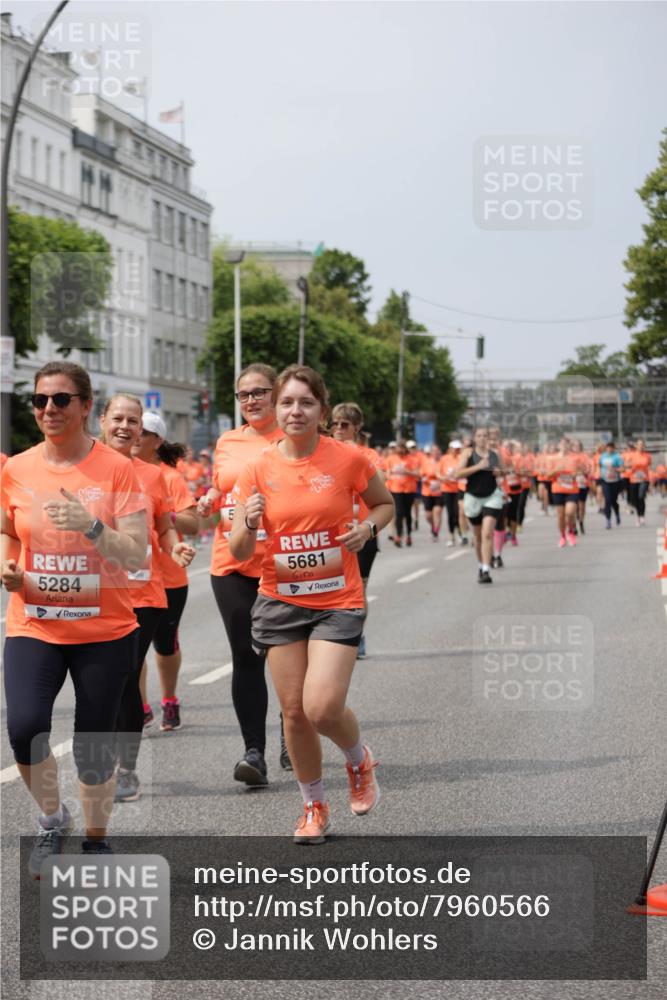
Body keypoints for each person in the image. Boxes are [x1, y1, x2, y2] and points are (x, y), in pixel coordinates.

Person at [229, 365, 394, 844]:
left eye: (305, 402)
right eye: (286, 403)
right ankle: (314, 806)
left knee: (321, 707)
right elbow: (240, 551)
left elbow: (384, 504)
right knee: (294, 713)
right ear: (275, 409)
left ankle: (358, 759)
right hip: (279, 599)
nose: (295, 411)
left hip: (336, 600)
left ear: (321, 409)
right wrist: (250, 523)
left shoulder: (348, 459)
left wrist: (367, 528)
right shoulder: (257, 468)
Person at [1, 362, 148, 873]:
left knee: (92, 744)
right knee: (24, 727)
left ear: (86, 406)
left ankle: (96, 841)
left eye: (61, 400)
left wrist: (91, 526)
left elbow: (134, 555)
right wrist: (8, 565)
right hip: (34, 622)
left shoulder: (116, 469)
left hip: (104, 631)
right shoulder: (16, 468)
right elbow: (10, 532)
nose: (48, 409)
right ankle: (50, 819)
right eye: (40, 400)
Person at [99, 395, 195, 803]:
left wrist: (174, 546)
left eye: (133, 421)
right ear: (101, 420)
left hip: (144, 594)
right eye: (117, 418)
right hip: (95, 593)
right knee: (99, 684)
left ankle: (126, 770)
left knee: (125, 681)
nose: (125, 426)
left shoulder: (153, 476)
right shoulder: (81, 467)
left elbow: (164, 527)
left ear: (142, 429)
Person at [198, 364, 285, 786]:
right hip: (231, 561)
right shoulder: (228, 441)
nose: (251, 400)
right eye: (243, 394)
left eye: (260, 392)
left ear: (276, 393)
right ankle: (254, 753)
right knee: (246, 657)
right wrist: (208, 500)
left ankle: (294, 728)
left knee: (288, 657)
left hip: (284, 562)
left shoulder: (295, 438)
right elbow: (223, 487)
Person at [131, 413, 199, 730]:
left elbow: (193, 524)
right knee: (132, 647)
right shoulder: (117, 471)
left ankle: (169, 699)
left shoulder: (169, 477)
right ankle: (141, 706)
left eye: (142, 432)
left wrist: (162, 517)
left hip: (169, 575)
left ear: (157, 441)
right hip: (132, 576)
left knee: (165, 643)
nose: (134, 435)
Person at [330, 402, 384, 658]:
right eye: (334, 424)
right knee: (331, 588)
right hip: (331, 534)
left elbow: (381, 484)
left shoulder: (368, 455)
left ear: (357, 428)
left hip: (361, 532)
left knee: (358, 589)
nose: (338, 429)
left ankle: (358, 634)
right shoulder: (326, 452)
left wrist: (354, 455)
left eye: (344, 425)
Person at [454, 428, 504, 583]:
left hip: (492, 496)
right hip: (473, 496)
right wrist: (478, 466)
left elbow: (502, 471)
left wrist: (499, 472)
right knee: (477, 536)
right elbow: (458, 474)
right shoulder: (468, 453)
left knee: (487, 533)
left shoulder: (495, 453)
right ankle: (480, 564)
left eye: (485, 436)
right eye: (479, 436)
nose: (482, 438)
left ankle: (486, 569)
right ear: (475, 438)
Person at [384, 440, 420, 547]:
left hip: (409, 489)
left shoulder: (412, 459)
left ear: (405, 449)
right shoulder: (391, 459)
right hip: (395, 489)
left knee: (407, 513)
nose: (399, 450)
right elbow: (387, 473)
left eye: (401, 448)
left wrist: (407, 471)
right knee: (399, 513)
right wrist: (389, 476)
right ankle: (398, 535)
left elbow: (418, 474)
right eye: (398, 448)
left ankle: (408, 534)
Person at [625, 438, 652, 526]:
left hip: (644, 479)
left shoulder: (647, 456)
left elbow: (649, 468)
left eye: (642, 444)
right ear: (636, 446)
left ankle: (642, 517)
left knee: (641, 497)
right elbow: (626, 465)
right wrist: (631, 465)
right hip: (634, 479)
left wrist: (651, 482)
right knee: (634, 499)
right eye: (639, 444)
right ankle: (638, 515)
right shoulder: (631, 455)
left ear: (644, 446)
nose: (640, 446)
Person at [599, 440, 624, 529]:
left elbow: (622, 469)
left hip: (615, 481)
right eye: (608, 447)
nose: (609, 449)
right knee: (607, 500)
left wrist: (615, 469)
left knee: (613, 501)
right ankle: (608, 520)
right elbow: (599, 466)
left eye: (611, 447)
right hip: (605, 481)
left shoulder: (617, 457)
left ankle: (617, 514)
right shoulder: (602, 456)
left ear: (613, 448)